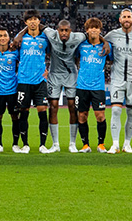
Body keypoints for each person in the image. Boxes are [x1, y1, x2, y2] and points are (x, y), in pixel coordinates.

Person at [40, 20, 85, 153]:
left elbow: (91, 34)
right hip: (54, 76)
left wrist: (104, 42)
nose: (64, 33)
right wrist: (20, 35)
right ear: (57, 30)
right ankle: (55, 144)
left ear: (70, 31)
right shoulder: (51, 34)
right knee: (53, 107)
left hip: (71, 76)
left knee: (72, 107)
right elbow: (37, 25)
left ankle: (72, 143)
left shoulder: (79, 37)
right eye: (61, 30)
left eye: (66, 30)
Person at [104, 9, 132, 153]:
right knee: (115, 110)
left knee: (131, 113)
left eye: (129, 17)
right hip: (117, 79)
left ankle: (127, 144)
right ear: (120, 19)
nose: (126, 19)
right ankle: (115, 144)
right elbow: (101, 42)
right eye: (124, 17)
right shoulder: (112, 35)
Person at [13, 9, 50, 154]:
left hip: (40, 81)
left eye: (35, 19)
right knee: (24, 112)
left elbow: (56, 53)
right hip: (24, 80)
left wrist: (49, 70)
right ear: (25, 22)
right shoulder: (20, 38)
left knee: (42, 111)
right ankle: (26, 144)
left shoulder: (45, 38)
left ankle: (42, 145)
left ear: (39, 21)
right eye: (30, 19)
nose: (33, 21)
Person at [74, 18, 110, 153]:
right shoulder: (81, 45)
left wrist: (105, 42)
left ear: (100, 30)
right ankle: (85, 145)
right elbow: (75, 59)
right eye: (91, 28)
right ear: (87, 30)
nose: (93, 30)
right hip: (82, 86)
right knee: (82, 116)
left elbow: (111, 60)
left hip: (98, 87)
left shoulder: (106, 46)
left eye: (96, 28)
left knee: (100, 116)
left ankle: (101, 144)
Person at [0, 28, 21, 153]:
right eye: (0, 36)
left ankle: (15, 144)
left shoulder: (15, 52)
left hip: (13, 90)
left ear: (9, 38)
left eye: (5, 35)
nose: (2, 38)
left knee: (15, 116)